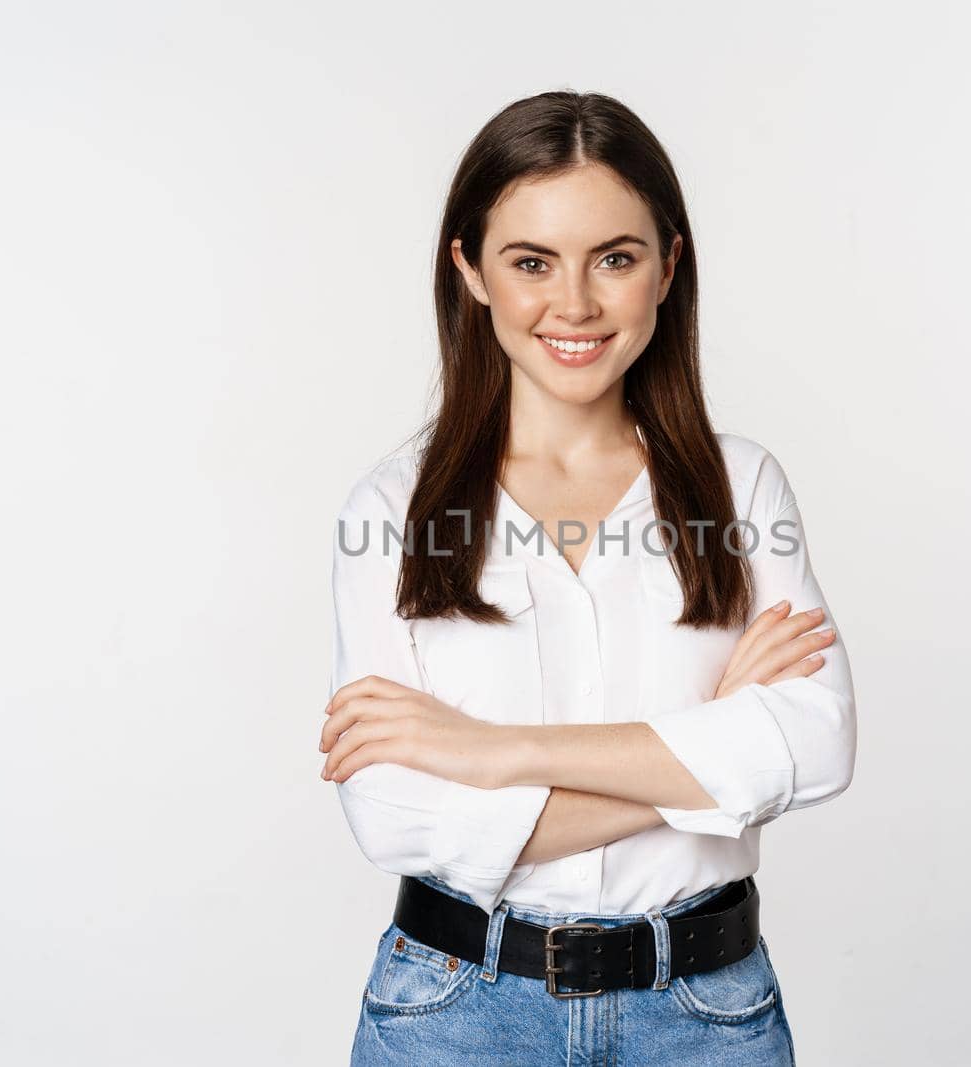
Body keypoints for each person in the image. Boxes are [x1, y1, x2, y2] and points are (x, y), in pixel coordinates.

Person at [319, 89, 856, 1066]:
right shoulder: (389, 511)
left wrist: (496, 751)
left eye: (615, 256)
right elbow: (396, 816)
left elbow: (813, 745)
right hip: (454, 1014)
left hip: (704, 1017)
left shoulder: (741, 487)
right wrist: (711, 753)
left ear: (668, 266)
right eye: (531, 262)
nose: (573, 303)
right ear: (471, 270)